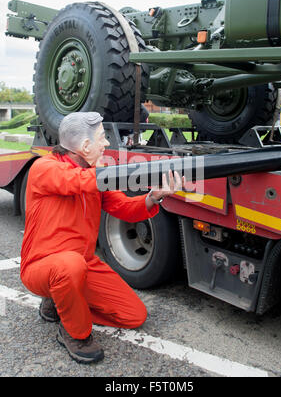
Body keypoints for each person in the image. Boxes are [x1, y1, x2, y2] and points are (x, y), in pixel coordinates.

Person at [20, 112, 183, 364]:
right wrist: (123, 172)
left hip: (82, 264)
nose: (106, 143)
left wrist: (154, 196)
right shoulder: (45, 168)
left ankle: (62, 301)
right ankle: (74, 332)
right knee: (68, 266)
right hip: (42, 267)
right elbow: (74, 181)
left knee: (134, 315)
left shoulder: (95, 173)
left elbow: (125, 208)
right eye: (102, 138)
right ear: (85, 146)